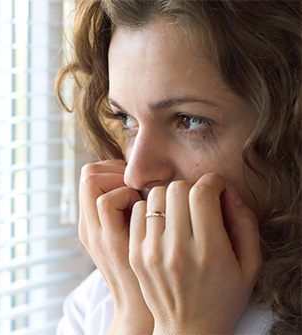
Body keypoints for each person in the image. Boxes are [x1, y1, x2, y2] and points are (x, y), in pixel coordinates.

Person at [55, 1, 301, 334]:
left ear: (290, 126)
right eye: (126, 118)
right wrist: (133, 312)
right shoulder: (100, 300)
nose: (135, 173)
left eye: (189, 121)